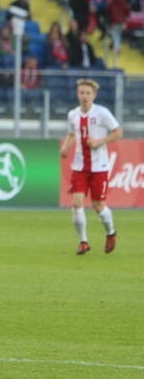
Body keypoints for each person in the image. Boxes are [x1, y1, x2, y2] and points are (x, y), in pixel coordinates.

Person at [59, 78, 123, 255]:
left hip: (99, 167)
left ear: (94, 95)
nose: (84, 96)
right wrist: (65, 147)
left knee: (98, 206)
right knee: (76, 202)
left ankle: (111, 233)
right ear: (77, 94)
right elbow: (72, 133)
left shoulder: (102, 113)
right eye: (81, 93)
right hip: (80, 167)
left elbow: (118, 132)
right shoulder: (73, 114)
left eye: (88, 93)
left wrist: (99, 142)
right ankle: (83, 242)